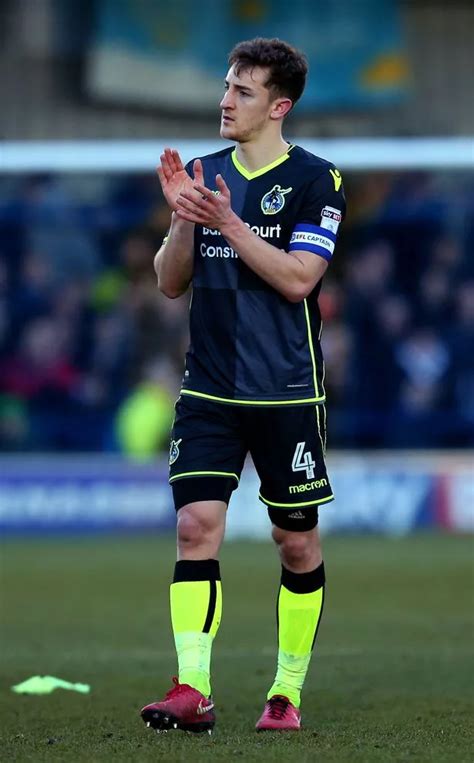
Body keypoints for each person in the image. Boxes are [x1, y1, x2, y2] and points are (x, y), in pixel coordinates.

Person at [140, 37, 346, 734]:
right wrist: (181, 218)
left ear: (279, 106)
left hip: (286, 392)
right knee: (195, 526)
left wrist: (225, 219)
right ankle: (191, 687)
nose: (225, 100)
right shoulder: (203, 173)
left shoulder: (319, 181)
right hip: (211, 388)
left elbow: (298, 279)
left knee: (296, 544)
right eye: (227, 86)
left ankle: (285, 691)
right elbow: (171, 285)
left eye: (244, 91)